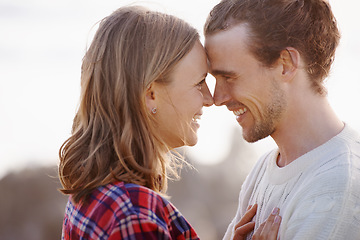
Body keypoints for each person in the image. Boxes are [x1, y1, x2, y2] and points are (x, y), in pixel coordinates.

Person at [58, 5, 280, 240]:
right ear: (151, 94)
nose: (210, 99)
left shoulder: (93, 195)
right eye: (199, 82)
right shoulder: (133, 215)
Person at [204, 0, 360, 239]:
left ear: (285, 64)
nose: (218, 98)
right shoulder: (267, 167)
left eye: (229, 77)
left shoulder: (335, 186)